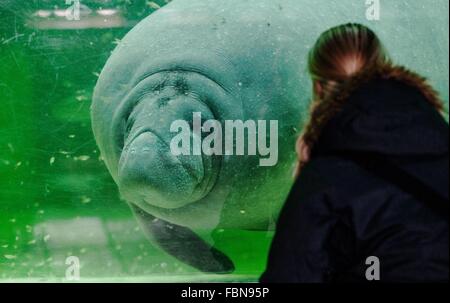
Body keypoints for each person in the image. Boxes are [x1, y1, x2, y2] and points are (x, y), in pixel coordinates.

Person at [260, 23, 449, 283]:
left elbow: (291, 275)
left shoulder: (324, 177)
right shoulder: (441, 147)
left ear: (318, 89)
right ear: (385, 70)